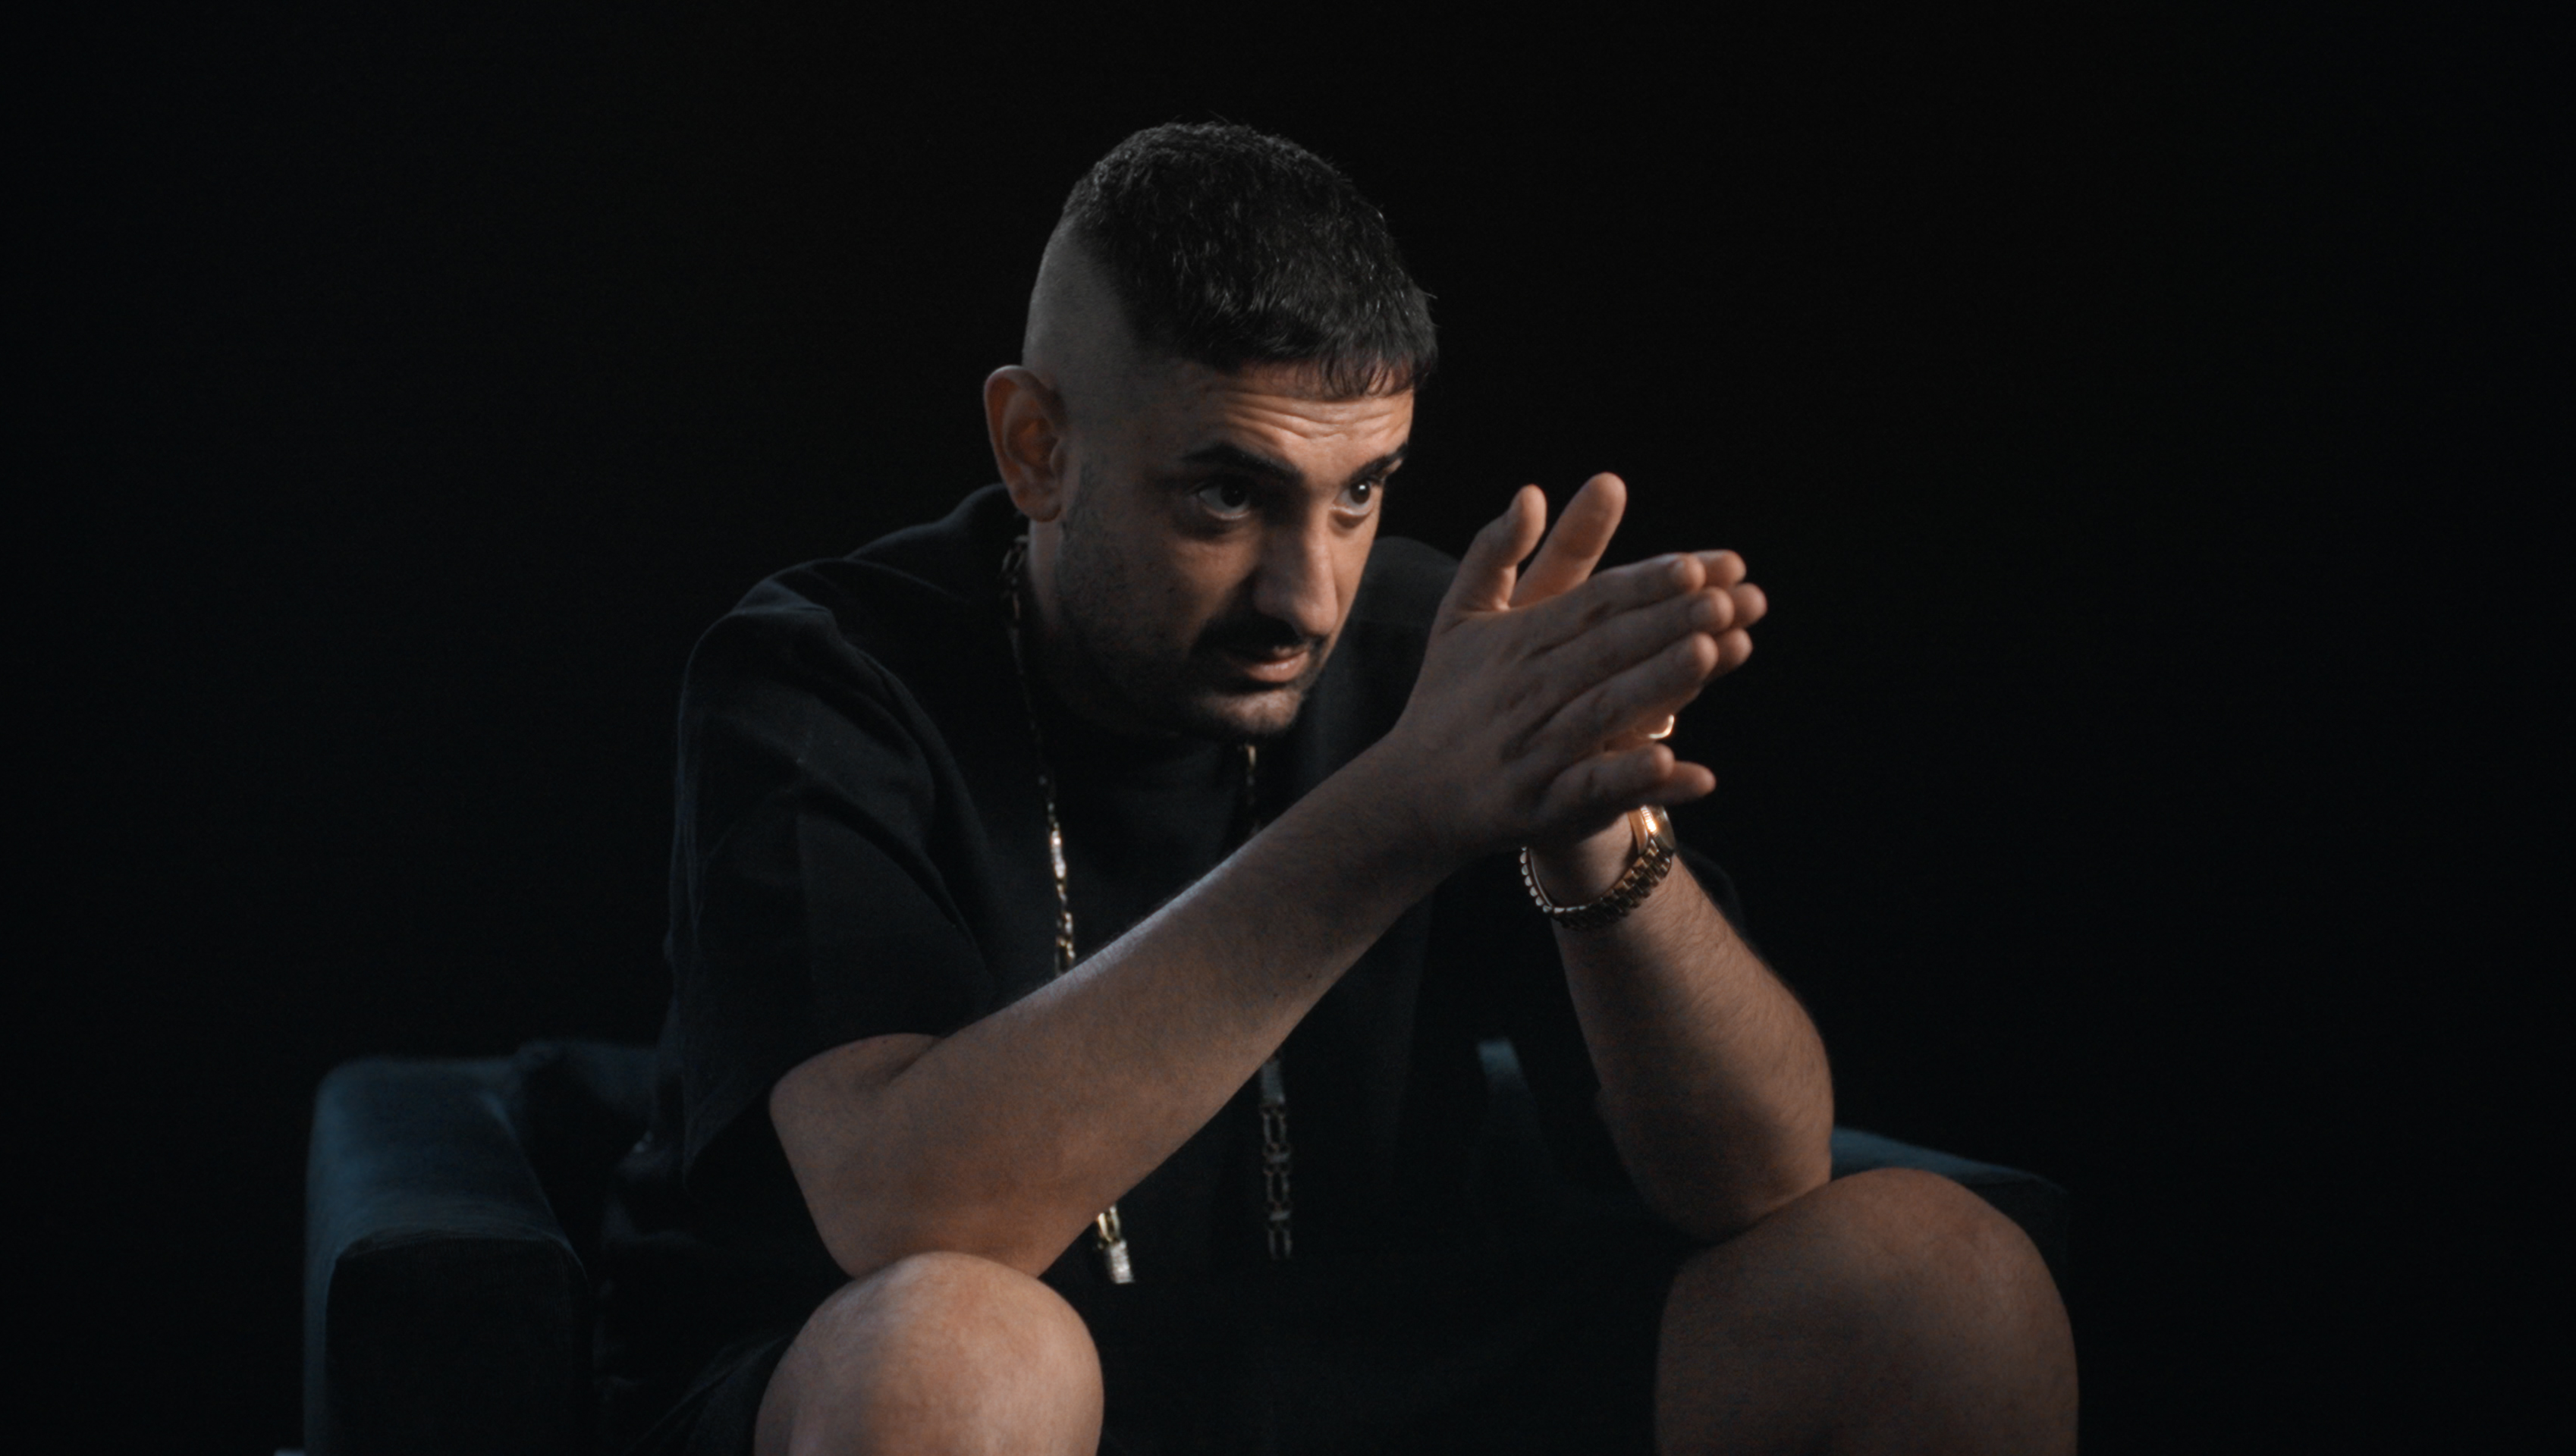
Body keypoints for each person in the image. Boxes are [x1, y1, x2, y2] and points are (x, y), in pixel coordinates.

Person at [599, 122, 2075, 1456]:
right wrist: (1401, 815)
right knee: (955, 1355)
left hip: (1367, 1364)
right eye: (1226, 494)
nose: (1304, 598)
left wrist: (1591, 835)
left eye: (1361, 491)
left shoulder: (1432, 658)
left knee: (1936, 1281)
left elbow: (1758, 1175)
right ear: (1039, 449)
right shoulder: (820, 675)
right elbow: (899, 1207)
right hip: (967, 1390)